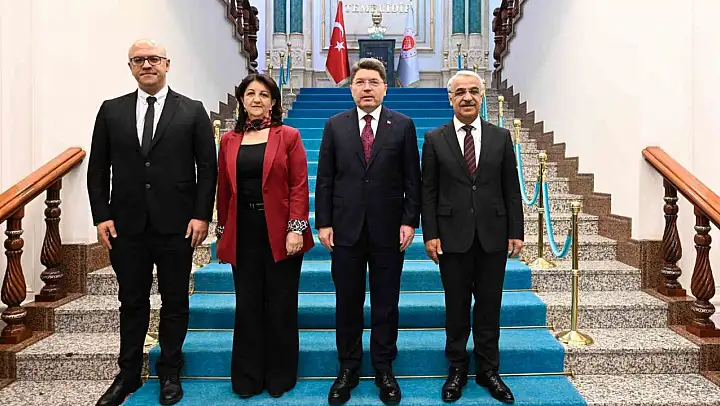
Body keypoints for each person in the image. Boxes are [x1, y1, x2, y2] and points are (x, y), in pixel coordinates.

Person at [87, 39, 217, 406]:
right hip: (126, 226)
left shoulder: (192, 110)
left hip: (177, 225)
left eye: (154, 59)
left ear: (167, 64)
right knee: (131, 300)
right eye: (139, 60)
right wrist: (102, 215)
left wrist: (201, 215)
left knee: (175, 300)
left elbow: (207, 169)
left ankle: (170, 370)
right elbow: (98, 169)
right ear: (130, 67)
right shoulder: (111, 110)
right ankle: (128, 373)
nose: (147, 65)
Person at [315, 58, 422, 405]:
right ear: (351, 88)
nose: (367, 88)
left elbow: (413, 179)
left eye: (374, 82)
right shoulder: (335, 125)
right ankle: (348, 367)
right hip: (345, 230)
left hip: (388, 230)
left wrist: (409, 221)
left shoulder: (402, 125)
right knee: (347, 302)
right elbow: (325, 178)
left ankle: (383, 367)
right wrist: (324, 222)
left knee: (386, 303)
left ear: (385, 88)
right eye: (360, 82)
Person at [420, 70, 524, 404]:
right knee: (456, 306)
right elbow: (428, 191)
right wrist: (430, 233)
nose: (467, 97)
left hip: (494, 236)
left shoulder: (501, 137)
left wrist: (516, 231)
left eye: (474, 91)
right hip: (452, 237)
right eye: (460, 92)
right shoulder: (435, 139)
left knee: (489, 306)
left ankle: (489, 369)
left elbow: (511, 188)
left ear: (482, 96)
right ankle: (457, 367)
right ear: (450, 98)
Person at [215, 73, 314, 399]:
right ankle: (248, 377)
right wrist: (223, 233)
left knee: (280, 304)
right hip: (243, 229)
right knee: (247, 304)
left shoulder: (288, 136)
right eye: (250, 94)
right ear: (242, 101)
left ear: (273, 102)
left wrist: (296, 228)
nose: (256, 99)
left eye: (263, 94)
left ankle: (279, 376)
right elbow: (224, 189)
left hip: (281, 231)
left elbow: (299, 184)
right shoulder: (229, 140)